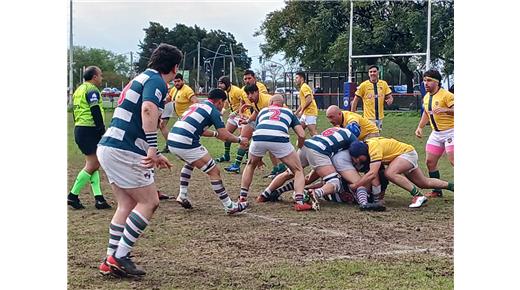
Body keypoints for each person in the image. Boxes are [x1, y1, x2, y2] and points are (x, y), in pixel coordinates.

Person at [96, 43, 181, 277]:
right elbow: (147, 110)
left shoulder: (140, 78)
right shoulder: (156, 81)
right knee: (149, 202)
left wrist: (154, 152)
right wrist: (153, 147)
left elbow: (135, 117)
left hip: (110, 146)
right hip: (124, 149)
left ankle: (110, 259)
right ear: (175, 67)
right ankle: (120, 256)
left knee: (127, 205)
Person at [168, 88, 249, 213]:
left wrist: (215, 134)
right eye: (224, 103)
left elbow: (201, 129)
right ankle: (229, 206)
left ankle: (182, 195)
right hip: (186, 141)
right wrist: (239, 140)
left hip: (172, 139)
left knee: (190, 162)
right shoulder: (213, 110)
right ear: (220, 101)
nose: (224, 106)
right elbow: (225, 136)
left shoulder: (197, 105)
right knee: (214, 171)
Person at [238, 94, 310, 210]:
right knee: (297, 170)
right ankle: (299, 201)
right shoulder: (289, 112)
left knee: (250, 165)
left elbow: (260, 130)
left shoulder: (263, 111)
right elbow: (301, 134)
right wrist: (300, 145)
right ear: (282, 104)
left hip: (258, 138)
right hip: (279, 139)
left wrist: (259, 158)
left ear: (270, 103)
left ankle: (242, 197)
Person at [348, 137, 454, 209]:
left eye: (356, 158)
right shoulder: (368, 146)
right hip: (405, 154)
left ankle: (418, 196)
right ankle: (453, 187)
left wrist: (356, 185)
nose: (356, 161)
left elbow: (372, 174)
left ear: (360, 153)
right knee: (424, 183)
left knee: (390, 173)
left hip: (406, 154)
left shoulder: (373, 149)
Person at [68, 66, 111, 210]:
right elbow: (95, 111)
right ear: (94, 77)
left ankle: (99, 198)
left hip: (80, 128)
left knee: (94, 164)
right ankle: (73, 196)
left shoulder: (79, 90)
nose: (101, 78)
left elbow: (75, 112)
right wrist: (101, 130)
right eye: (100, 75)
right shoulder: (92, 90)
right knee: (92, 164)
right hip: (89, 129)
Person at [415, 69, 454, 198]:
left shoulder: (447, 95)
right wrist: (420, 127)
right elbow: (427, 113)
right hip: (436, 134)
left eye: (429, 80)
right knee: (430, 162)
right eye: (424, 80)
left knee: (454, 161)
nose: (425, 83)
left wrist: (445, 110)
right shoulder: (426, 97)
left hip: (451, 132)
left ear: (437, 82)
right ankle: (437, 191)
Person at [224, 83, 273, 174]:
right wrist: (248, 121)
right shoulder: (252, 100)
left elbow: (275, 113)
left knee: (271, 145)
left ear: (257, 91)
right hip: (258, 119)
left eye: (252, 93)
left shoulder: (267, 100)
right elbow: (256, 111)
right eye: (248, 94)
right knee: (244, 138)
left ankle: (278, 167)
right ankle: (236, 166)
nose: (249, 96)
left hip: (271, 122)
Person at [159, 73, 197, 153]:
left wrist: (190, 113)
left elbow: (196, 101)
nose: (176, 83)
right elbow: (168, 99)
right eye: (175, 81)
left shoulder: (187, 90)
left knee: (178, 133)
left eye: (178, 81)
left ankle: (172, 146)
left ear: (183, 81)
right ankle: (170, 146)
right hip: (180, 117)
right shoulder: (174, 89)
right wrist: (158, 104)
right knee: (175, 133)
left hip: (187, 118)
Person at [215, 76, 248, 163]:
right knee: (226, 135)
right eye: (219, 83)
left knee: (244, 137)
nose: (219, 85)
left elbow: (244, 103)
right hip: (233, 116)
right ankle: (226, 156)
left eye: (221, 83)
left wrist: (237, 112)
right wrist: (223, 110)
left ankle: (248, 157)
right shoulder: (226, 92)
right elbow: (227, 102)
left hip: (241, 115)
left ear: (226, 83)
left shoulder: (236, 91)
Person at [350, 65, 393, 130]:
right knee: (371, 136)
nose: (372, 73)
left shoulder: (383, 84)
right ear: (368, 74)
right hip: (368, 118)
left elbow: (390, 97)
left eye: (374, 71)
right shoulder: (364, 85)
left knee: (377, 135)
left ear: (378, 72)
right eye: (371, 72)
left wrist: (390, 100)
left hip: (380, 117)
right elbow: (355, 100)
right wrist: (352, 115)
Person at [294, 72, 319, 136]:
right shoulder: (302, 87)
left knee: (313, 133)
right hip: (305, 113)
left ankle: (321, 144)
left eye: (297, 78)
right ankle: (301, 145)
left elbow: (309, 99)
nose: (295, 80)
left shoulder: (304, 87)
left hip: (310, 112)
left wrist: (302, 111)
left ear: (302, 78)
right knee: (299, 130)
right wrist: (295, 113)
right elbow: (302, 104)